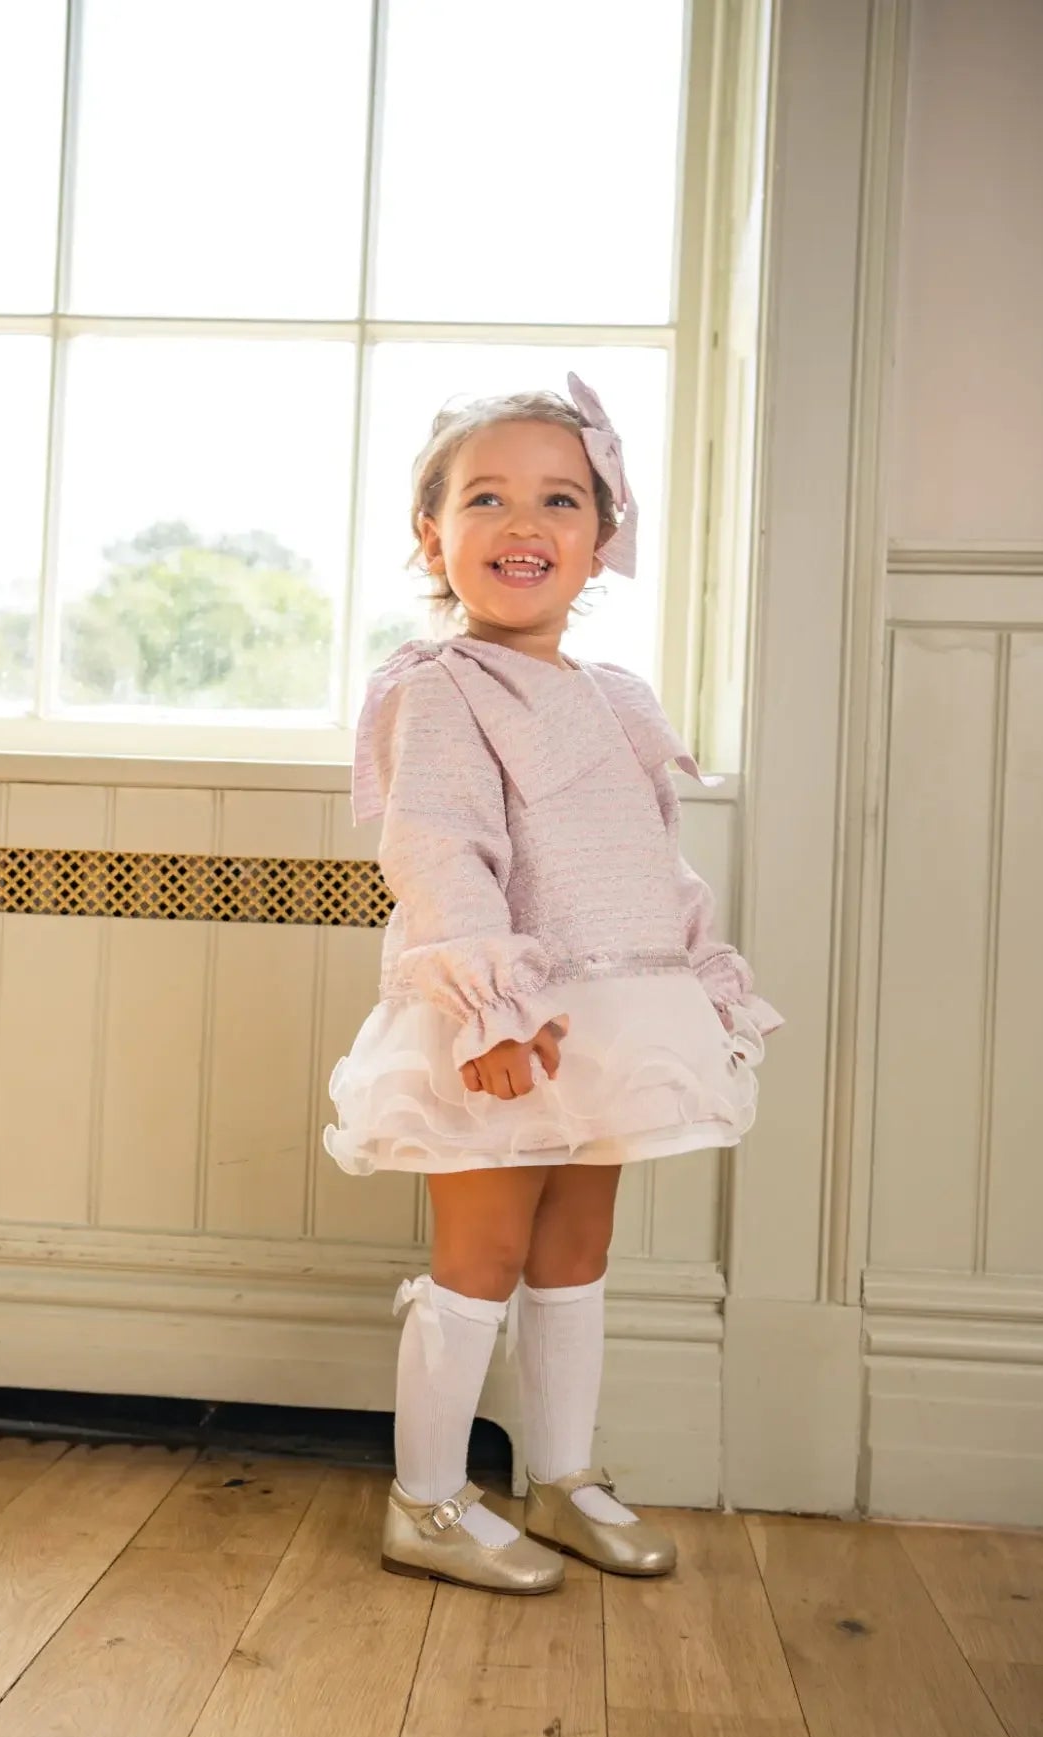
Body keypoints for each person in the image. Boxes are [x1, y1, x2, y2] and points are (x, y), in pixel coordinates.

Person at [324, 375, 782, 1594]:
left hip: (616, 1010)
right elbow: (438, 849)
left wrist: (701, 978)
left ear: (600, 537)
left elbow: (651, 853)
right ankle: (425, 1496)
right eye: (487, 497)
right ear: (434, 534)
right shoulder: (439, 687)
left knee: (576, 1243)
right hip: (511, 1020)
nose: (524, 522)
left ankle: (563, 1474)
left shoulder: (615, 698)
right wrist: (492, 1011)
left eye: (558, 498)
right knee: (482, 1246)